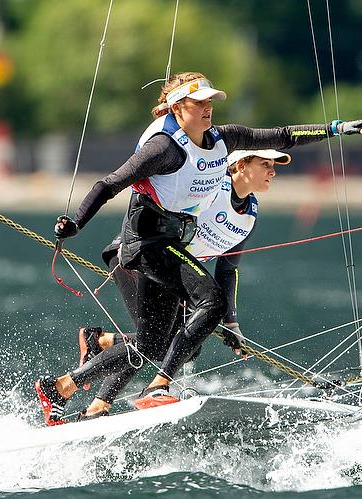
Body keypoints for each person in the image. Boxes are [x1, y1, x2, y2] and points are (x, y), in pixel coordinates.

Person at [34, 71, 362, 426]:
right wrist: (76, 222)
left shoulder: (224, 140)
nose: (208, 108)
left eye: (210, 102)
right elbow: (110, 184)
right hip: (145, 242)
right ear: (178, 106)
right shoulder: (164, 149)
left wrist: (335, 129)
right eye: (199, 103)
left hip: (170, 243)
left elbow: (284, 135)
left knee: (152, 345)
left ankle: (59, 387)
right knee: (209, 302)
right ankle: (155, 389)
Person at [72, 148, 291, 420]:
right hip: (136, 259)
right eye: (265, 164)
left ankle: (101, 351)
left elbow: (228, 268)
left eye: (274, 166)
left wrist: (231, 322)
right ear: (240, 166)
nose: (272, 171)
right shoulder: (210, 192)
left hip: (171, 273)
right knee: (152, 343)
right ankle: (109, 395)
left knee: (184, 347)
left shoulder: (249, 214)